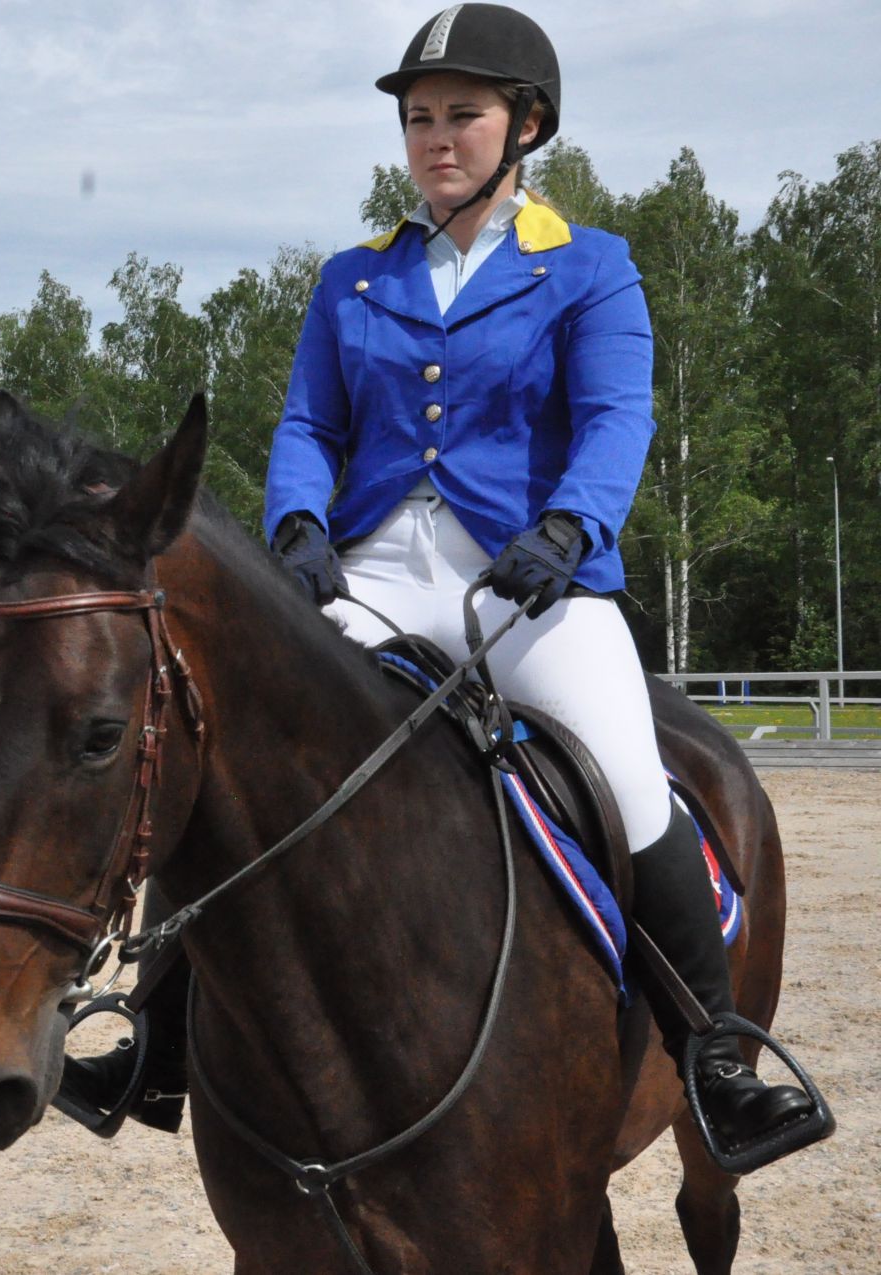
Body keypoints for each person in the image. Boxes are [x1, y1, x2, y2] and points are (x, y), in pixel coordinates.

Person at [62, 3, 820, 1165]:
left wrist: (572, 526)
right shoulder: (353, 279)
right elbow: (310, 422)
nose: (434, 139)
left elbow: (620, 419)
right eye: (419, 120)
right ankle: (153, 1039)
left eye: (461, 116)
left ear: (526, 127)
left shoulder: (592, 268)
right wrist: (300, 525)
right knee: (240, 758)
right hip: (375, 573)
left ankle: (716, 1057)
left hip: (534, 584)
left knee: (628, 774)